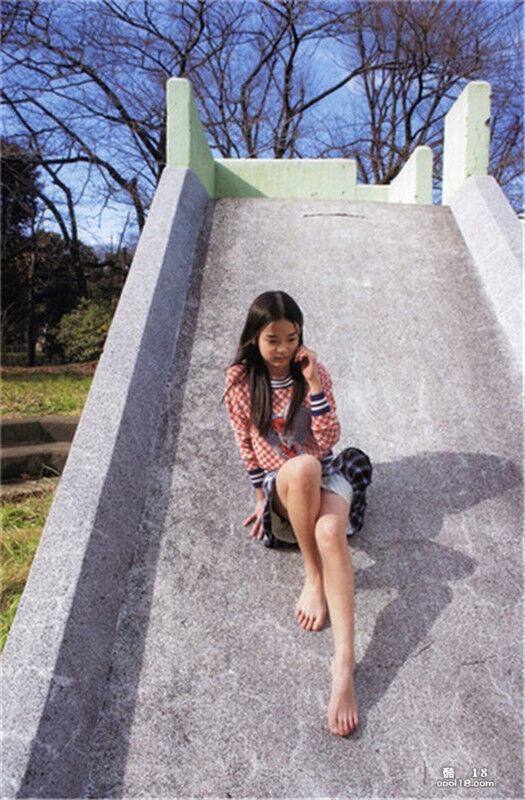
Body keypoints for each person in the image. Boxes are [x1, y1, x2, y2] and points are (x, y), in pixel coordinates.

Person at [222, 290, 372, 737]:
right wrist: (258, 496)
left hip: (325, 474)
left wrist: (316, 386)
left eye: (292, 337)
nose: (283, 348)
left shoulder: (312, 375)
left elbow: (328, 439)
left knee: (330, 531)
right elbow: (246, 445)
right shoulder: (240, 381)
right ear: (255, 338)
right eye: (273, 339)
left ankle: (343, 664)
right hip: (285, 485)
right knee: (302, 466)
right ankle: (313, 574)